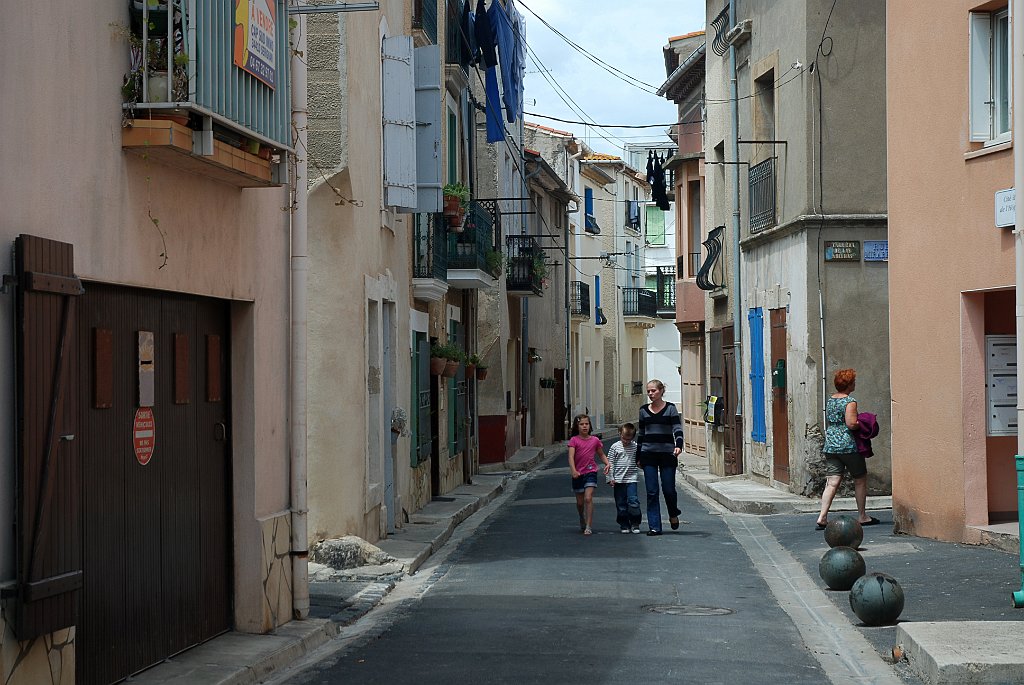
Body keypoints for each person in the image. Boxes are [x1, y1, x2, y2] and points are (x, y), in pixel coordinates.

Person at [815, 368, 880, 530]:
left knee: (832, 481)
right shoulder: (849, 401)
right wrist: (863, 423)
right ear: (849, 384)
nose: (855, 384)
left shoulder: (831, 400)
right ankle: (862, 516)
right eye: (853, 382)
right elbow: (851, 423)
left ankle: (822, 517)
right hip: (848, 445)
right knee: (860, 478)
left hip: (831, 445)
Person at [636, 379, 684, 536]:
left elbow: (677, 428)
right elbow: (641, 434)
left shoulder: (670, 408)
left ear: (661, 391)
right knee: (651, 491)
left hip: (667, 454)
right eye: (648, 391)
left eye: (653, 391)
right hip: (648, 454)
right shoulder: (643, 410)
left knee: (668, 489)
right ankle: (655, 526)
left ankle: (673, 513)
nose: (650, 394)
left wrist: (678, 444)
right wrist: (638, 455)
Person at [568, 414, 609, 536]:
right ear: (577, 426)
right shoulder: (574, 440)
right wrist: (573, 470)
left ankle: (588, 525)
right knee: (580, 503)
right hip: (578, 474)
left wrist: (607, 463)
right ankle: (582, 517)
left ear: (590, 425)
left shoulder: (595, 440)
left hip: (591, 472)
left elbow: (601, 454)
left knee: (588, 498)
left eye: (586, 424)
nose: (584, 426)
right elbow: (571, 456)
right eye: (581, 424)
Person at [607, 422, 642, 534]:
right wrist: (610, 478)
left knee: (633, 501)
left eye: (628, 439)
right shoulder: (615, 447)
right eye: (624, 438)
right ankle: (624, 524)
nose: (626, 441)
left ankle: (635, 523)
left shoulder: (635, 446)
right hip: (618, 480)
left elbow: (639, 458)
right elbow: (610, 462)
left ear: (632, 437)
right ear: (619, 434)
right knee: (621, 503)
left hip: (631, 479)